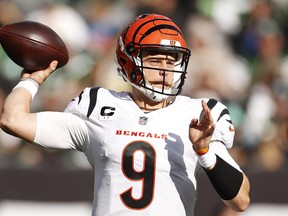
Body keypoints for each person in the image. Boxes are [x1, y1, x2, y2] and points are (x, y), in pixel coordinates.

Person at [0, 14, 250, 215]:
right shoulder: (97, 106)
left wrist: (205, 153)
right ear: (129, 61)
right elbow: (13, 120)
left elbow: (240, 200)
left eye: (170, 61)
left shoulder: (198, 114)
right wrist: (32, 80)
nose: (164, 70)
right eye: (154, 59)